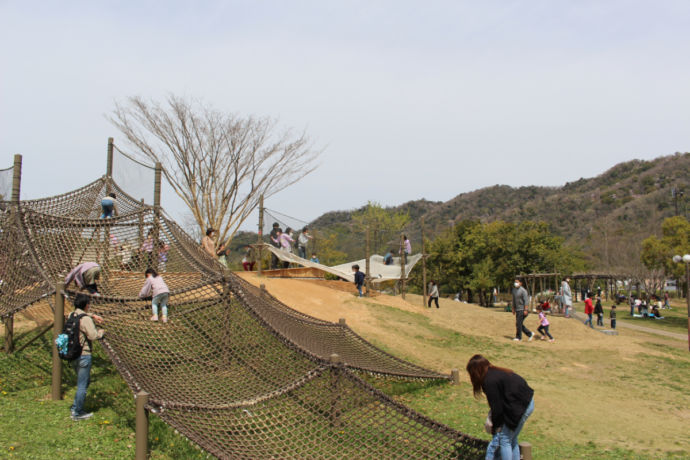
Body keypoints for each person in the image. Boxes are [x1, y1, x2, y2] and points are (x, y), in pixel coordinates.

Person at [466, 354, 534, 460]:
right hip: (526, 402)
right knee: (511, 438)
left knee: (504, 439)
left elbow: (497, 409)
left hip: (519, 406)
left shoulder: (489, 381)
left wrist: (496, 428)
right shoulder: (495, 372)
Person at [68, 293, 105, 421]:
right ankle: (77, 412)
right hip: (84, 355)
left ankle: (75, 407)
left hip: (72, 354)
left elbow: (82, 315)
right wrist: (101, 332)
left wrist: (93, 315)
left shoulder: (71, 315)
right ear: (86, 305)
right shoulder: (86, 320)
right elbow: (93, 336)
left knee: (83, 382)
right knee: (83, 384)